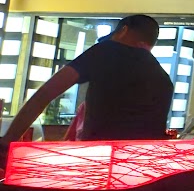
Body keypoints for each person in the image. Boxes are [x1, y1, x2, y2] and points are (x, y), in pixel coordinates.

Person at [4, 14, 172, 146]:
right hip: (143, 165)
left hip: (101, 158)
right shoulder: (163, 78)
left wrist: (7, 141)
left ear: (124, 31)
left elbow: (45, 93)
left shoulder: (107, 50)